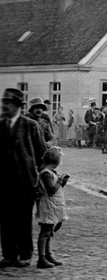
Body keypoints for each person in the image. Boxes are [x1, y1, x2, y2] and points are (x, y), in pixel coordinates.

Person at [0, 88, 47, 268]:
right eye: (4, 104)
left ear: (18, 106)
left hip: (25, 182)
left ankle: (25, 254)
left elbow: (42, 153)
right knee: (5, 220)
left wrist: (39, 177)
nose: (6, 107)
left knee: (23, 220)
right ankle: (9, 255)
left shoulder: (30, 125)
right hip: (4, 182)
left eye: (9, 104)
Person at [35, 146, 69, 269]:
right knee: (45, 232)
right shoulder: (46, 174)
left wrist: (62, 182)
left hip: (53, 204)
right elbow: (51, 190)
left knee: (49, 231)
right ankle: (42, 258)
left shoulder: (50, 173)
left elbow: (57, 189)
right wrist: (60, 181)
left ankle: (48, 254)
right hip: (48, 205)